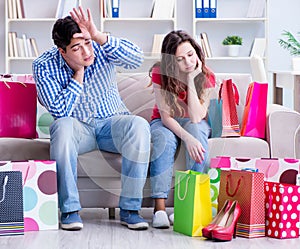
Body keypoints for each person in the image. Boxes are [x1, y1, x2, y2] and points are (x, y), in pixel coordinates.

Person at [32, 7, 151, 231]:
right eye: (77, 48)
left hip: (112, 123)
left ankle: (130, 210)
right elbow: (59, 110)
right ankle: (69, 210)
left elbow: (137, 59)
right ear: (62, 51)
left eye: (87, 42)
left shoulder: (98, 46)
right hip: (79, 129)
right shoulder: (43, 65)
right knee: (62, 126)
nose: (86, 51)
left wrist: (97, 36)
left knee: (139, 125)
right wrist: (78, 74)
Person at [148, 30, 215, 228]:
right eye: (180, 59)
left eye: (190, 55)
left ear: (197, 52)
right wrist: (186, 138)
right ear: (171, 62)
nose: (187, 62)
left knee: (197, 133)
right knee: (164, 139)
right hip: (164, 121)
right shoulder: (160, 73)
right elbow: (166, 117)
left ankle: (188, 207)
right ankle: (159, 209)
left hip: (193, 121)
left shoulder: (207, 75)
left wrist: (193, 79)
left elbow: (196, 117)